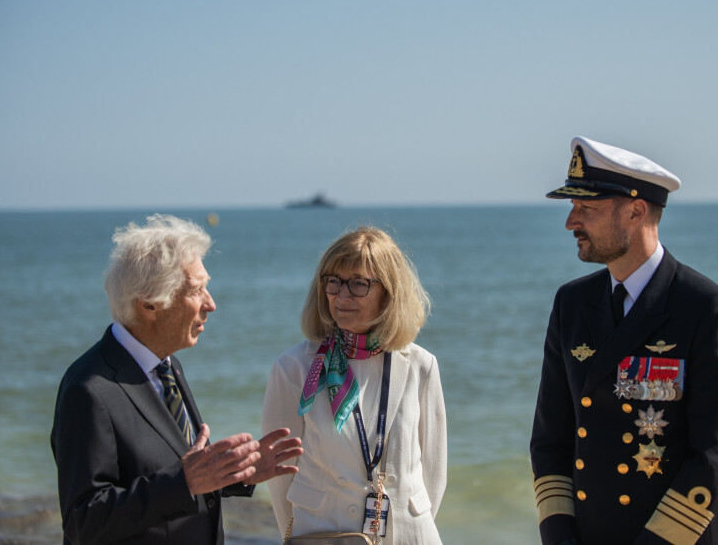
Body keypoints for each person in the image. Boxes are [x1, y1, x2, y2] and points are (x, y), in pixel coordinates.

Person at [530, 137, 718, 545]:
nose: (571, 222)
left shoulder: (709, 310)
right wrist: (560, 537)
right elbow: (550, 441)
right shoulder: (572, 304)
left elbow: (713, 460)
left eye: (586, 208)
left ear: (636, 211)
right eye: (572, 207)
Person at [51, 214, 302, 544]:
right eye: (197, 290)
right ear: (150, 305)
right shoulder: (90, 390)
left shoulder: (168, 367)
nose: (210, 304)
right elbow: (83, 521)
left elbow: (177, 471)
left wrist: (236, 473)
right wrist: (183, 482)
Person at [262, 226, 447, 544]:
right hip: (324, 535)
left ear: (389, 292)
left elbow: (434, 472)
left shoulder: (421, 365)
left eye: (359, 284)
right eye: (334, 282)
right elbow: (280, 476)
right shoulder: (294, 368)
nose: (342, 296)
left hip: (409, 536)